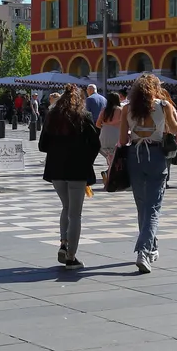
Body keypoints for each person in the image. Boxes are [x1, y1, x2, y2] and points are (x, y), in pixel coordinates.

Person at [121, 73, 177, 273]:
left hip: (134, 156)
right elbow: (175, 130)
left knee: (142, 206)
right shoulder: (164, 106)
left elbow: (122, 139)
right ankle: (144, 251)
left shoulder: (127, 108)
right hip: (156, 155)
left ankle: (151, 246)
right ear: (156, 88)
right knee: (153, 206)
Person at [39, 85, 99, 268]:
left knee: (66, 207)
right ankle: (71, 256)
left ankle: (64, 243)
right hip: (77, 170)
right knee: (75, 214)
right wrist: (87, 159)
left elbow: (42, 146)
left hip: (56, 170)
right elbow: (95, 144)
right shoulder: (83, 117)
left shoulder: (52, 116)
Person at [96, 91, 122, 186]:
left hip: (105, 134)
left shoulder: (104, 110)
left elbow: (98, 124)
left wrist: (106, 125)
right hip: (116, 134)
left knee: (109, 156)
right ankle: (110, 176)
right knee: (117, 156)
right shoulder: (120, 110)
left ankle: (109, 174)